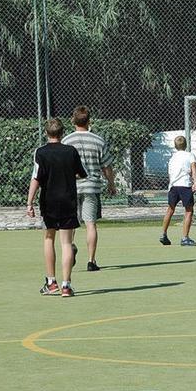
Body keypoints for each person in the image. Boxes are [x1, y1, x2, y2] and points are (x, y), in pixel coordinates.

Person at [27, 118, 87, 297]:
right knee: (67, 243)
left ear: (47, 133)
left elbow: (36, 178)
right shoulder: (71, 151)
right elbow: (81, 174)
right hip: (68, 200)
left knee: (48, 239)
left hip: (49, 201)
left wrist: (29, 202)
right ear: (62, 133)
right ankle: (66, 285)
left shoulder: (41, 152)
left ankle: (51, 282)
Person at [62, 106, 117, 271]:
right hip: (92, 186)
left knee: (70, 223)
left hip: (71, 187)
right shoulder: (98, 140)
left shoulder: (66, 141)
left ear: (73, 120)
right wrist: (111, 183)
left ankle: (69, 247)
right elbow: (106, 166)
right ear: (89, 121)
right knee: (90, 224)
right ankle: (91, 261)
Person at [159, 135, 196, 246]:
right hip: (185, 185)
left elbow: (170, 172)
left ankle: (163, 234)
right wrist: (195, 182)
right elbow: (193, 169)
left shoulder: (172, 158)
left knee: (170, 209)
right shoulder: (190, 155)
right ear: (186, 145)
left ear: (175, 146)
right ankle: (185, 238)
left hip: (173, 186)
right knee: (189, 210)